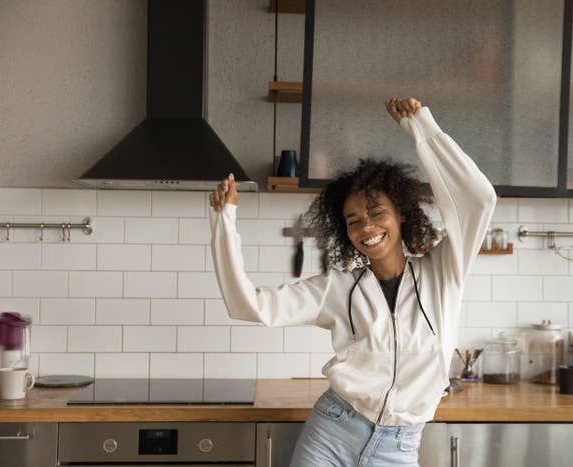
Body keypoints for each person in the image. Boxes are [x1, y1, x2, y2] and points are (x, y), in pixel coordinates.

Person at [209, 98, 497, 466]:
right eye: (353, 220)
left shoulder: (445, 272)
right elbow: (248, 305)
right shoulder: (338, 289)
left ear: (402, 216)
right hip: (331, 432)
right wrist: (224, 222)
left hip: (399, 445)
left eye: (377, 213)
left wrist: (422, 129)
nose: (366, 227)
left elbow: (478, 200)